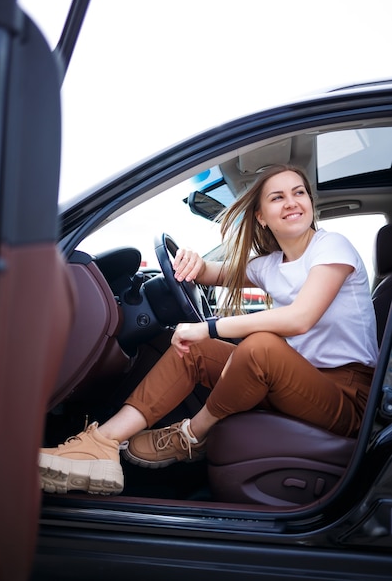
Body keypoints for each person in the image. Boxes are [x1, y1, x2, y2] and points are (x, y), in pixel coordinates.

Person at [39, 164, 378, 496]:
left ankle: (190, 435)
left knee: (260, 345)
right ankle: (101, 446)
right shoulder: (270, 265)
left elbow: (299, 318)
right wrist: (193, 262)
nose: (292, 202)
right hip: (297, 383)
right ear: (260, 215)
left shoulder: (332, 246)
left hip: (346, 397)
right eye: (277, 197)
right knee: (194, 351)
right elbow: (213, 272)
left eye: (298, 192)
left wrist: (209, 327)